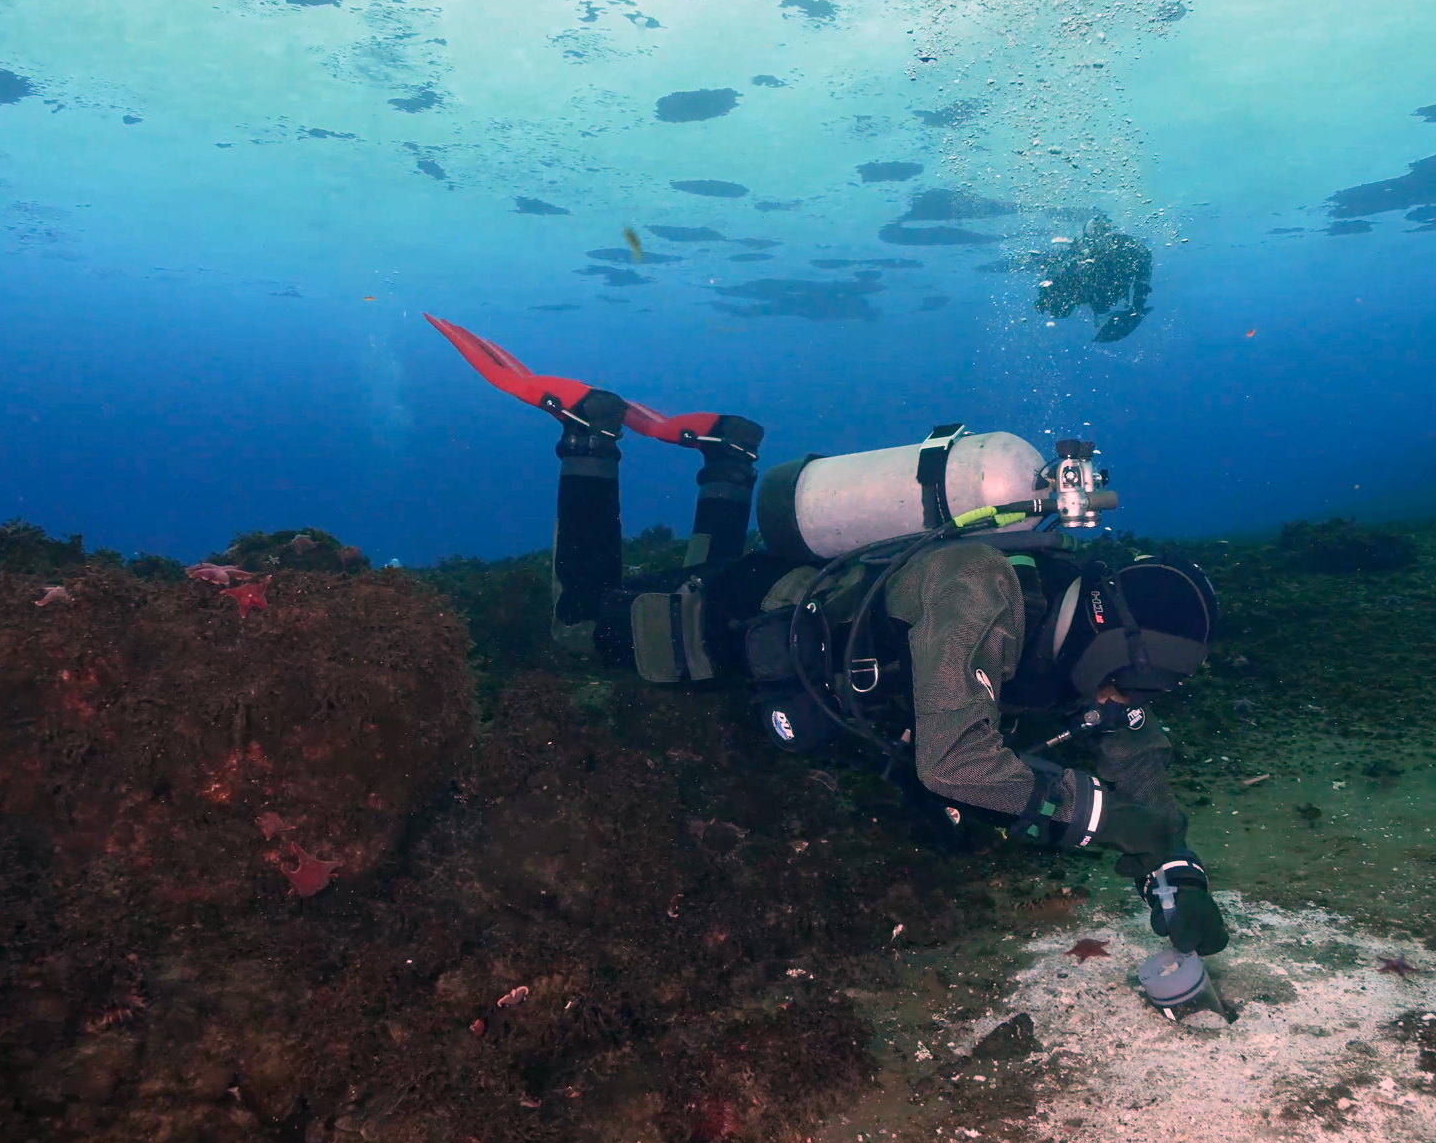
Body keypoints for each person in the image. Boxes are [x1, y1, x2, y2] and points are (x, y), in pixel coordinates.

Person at [428, 315, 1227, 961]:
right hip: (750, 626)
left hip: (799, 608)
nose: (1130, 703)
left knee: (693, 589)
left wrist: (1173, 864)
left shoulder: (1073, 616)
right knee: (584, 629)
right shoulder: (980, 592)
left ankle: (728, 463)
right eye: (1134, 682)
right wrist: (1103, 818)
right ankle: (587, 437)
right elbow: (951, 763)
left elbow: (1132, 747)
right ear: (1105, 636)